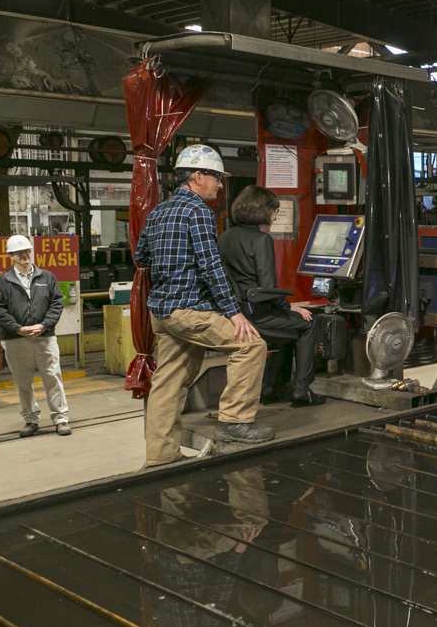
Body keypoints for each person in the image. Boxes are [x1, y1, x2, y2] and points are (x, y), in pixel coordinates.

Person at [134, 144, 273, 469]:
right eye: (216, 177)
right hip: (189, 309)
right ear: (197, 176)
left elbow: (141, 258)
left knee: (168, 382)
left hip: (163, 313)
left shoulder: (158, 211)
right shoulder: (198, 211)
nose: (221, 185)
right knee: (251, 346)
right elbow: (211, 266)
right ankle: (236, 422)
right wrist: (233, 312)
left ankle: (161, 456)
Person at [218, 185, 325, 408]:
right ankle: (302, 390)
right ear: (262, 211)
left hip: (236, 312)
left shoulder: (225, 237)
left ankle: (272, 387)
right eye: (274, 211)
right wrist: (289, 306)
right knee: (307, 323)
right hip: (256, 314)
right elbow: (267, 288)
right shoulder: (261, 240)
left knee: (287, 331)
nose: (276, 216)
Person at [0, 235, 70, 438]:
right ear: (11, 256)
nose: (24, 255)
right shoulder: (1, 281)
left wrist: (44, 325)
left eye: (26, 251)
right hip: (15, 339)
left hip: (45, 337)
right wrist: (18, 329)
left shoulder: (47, 277)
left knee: (52, 378)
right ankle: (31, 420)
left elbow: (57, 303)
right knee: (22, 381)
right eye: (19, 253)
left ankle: (60, 419)